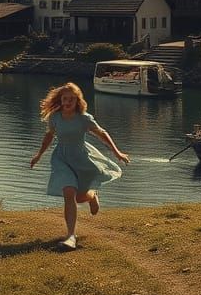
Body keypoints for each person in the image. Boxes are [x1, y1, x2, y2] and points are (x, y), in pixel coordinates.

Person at [30, 81, 129, 251]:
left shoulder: (84, 119)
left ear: (77, 101)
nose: (67, 102)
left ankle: (92, 195)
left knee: (79, 197)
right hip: (61, 159)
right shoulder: (55, 117)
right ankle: (70, 236)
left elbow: (102, 134)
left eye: (71, 99)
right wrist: (39, 155)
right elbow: (49, 136)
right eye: (65, 99)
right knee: (69, 192)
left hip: (82, 159)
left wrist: (117, 152)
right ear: (60, 100)